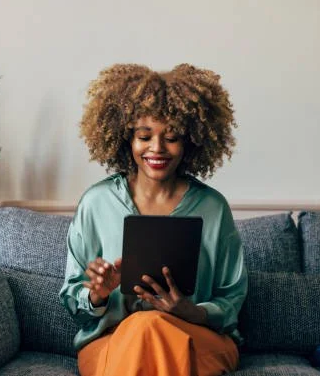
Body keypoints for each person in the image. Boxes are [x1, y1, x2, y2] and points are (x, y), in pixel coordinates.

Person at [59, 63, 248, 376]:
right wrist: (97, 294)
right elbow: (73, 300)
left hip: (196, 338)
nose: (157, 148)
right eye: (144, 136)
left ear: (190, 141)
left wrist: (191, 311)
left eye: (171, 137)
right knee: (144, 330)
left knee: (152, 329)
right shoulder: (97, 202)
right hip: (112, 341)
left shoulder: (213, 208)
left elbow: (232, 299)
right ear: (126, 138)